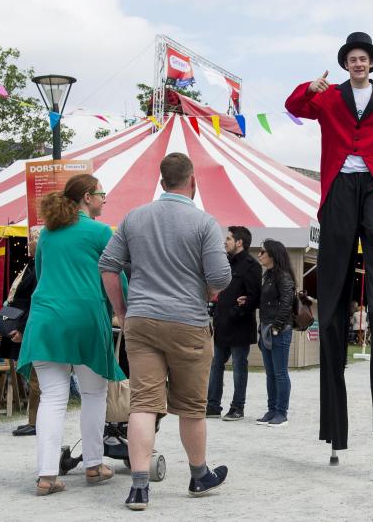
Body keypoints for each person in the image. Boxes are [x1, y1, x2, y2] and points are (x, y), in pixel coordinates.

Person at [285, 31, 373, 461]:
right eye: (352, 58)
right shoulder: (329, 97)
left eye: (363, 58)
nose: (358, 63)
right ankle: (336, 426)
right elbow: (293, 107)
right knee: (332, 300)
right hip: (341, 187)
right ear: (345, 63)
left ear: (371, 63)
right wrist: (309, 87)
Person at [100, 152, 232, 511]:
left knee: (143, 404)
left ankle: (140, 488)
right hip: (188, 322)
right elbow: (220, 277)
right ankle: (199, 475)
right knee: (191, 407)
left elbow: (108, 266)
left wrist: (122, 311)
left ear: (161, 183)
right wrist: (209, 290)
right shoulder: (204, 223)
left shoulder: (134, 218)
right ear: (193, 183)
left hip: (141, 320)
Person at [16, 173, 125, 496]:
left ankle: (46, 475)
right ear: (88, 198)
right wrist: (126, 310)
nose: (105, 199)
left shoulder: (48, 234)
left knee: (52, 398)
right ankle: (93, 464)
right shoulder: (100, 232)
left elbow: (42, 272)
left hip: (45, 320)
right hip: (86, 319)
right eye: (102, 194)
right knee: (93, 394)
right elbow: (114, 276)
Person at [206, 226, 261, 421]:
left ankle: (238, 407)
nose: (225, 241)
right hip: (222, 324)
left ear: (239, 242)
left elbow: (255, 297)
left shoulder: (251, 265)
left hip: (240, 326)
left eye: (228, 239)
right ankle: (212, 405)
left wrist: (238, 311)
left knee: (239, 366)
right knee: (216, 364)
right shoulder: (225, 263)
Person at [1, 230, 40, 437]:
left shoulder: (41, 267)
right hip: (23, 321)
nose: (29, 242)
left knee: (37, 374)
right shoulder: (31, 265)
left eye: (34, 238)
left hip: (31, 323)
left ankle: (36, 421)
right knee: (34, 372)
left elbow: (35, 300)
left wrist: (23, 329)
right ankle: (33, 419)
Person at [253, 239, 296, 428]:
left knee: (280, 373)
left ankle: (281, 413)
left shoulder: (283, 276)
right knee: (270, 374)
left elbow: (287, 302)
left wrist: (277, 326)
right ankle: (272, 410)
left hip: (278, 330)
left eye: (262, 252)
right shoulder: (268, 275)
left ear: (272, 254)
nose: (259, 255)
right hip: (266, 328)